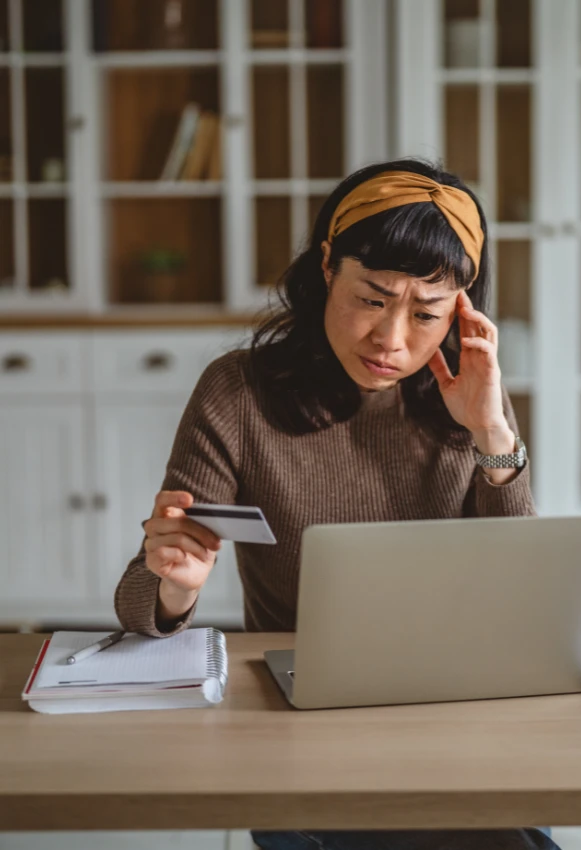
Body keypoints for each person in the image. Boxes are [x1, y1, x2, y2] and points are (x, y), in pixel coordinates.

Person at [115, 159, 558, 850]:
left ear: (461, 313)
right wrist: (172, 586)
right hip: (299, 731)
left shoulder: (470, 397)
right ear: (327, 266)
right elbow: (138, 607)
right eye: (373, 298)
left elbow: (527, 595)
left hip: (451, 717)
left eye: (427, 314)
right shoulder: (237, 393)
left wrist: (492, 434)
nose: (393, 339)